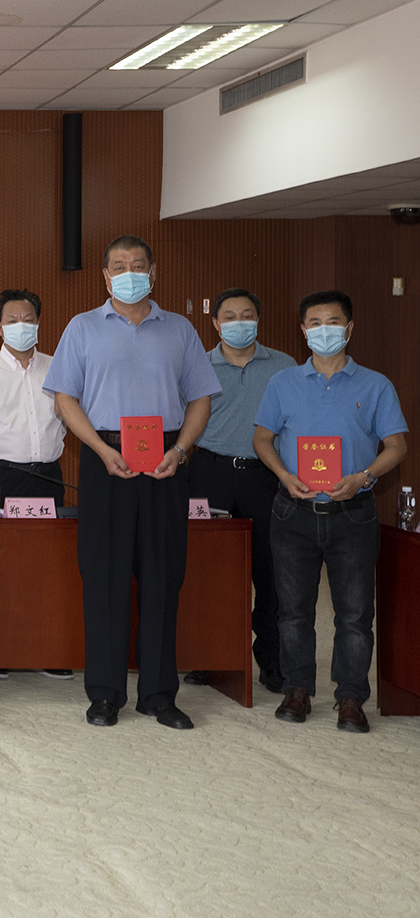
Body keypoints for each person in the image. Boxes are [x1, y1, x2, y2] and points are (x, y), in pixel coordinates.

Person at [42, 235, 220, 730]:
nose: (129, 273)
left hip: (165, 460)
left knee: (163, 577)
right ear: (105, 277)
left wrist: (180, 451)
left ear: (153, 272)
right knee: (104, 578)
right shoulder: (82, 328)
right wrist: (101, 451)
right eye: (119, 266)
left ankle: (159, 695)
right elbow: (64, 398)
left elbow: (201, 398)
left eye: (138, 265)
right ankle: (104, 693)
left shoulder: (180, 329)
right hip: (106, 457)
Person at [253, 290, 408, 733]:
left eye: (334, 322)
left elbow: (397, 445)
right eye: (316, 323)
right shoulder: (282, 383)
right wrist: (284, 475)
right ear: (303, 331)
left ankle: (351, 696)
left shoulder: (376, 385)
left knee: (355, 614)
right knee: (293, 610)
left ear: (350, 328)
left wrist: (364, 476)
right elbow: (262, 438)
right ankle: (297, 689)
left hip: (353, 514)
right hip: (293, 512)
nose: (325, 331)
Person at [183, 289, 296, 693]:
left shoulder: (284, 366)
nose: (238, 322)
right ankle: (207, 656)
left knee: (271, 571)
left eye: (246, 314)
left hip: (265, 476)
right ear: (215, 323)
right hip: (208, 473)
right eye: (229, 316)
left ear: (258, 319)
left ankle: (271, 659)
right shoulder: (196, 365)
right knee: (208, 571)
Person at [0, 289, 72, 681]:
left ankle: (46, 648)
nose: (21, 326)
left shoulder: (57, 368)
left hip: (47, 476)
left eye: (28, 319)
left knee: (47, 565)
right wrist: (2, 459)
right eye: (12, 320)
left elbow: (68, 420)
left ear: (38, 323)